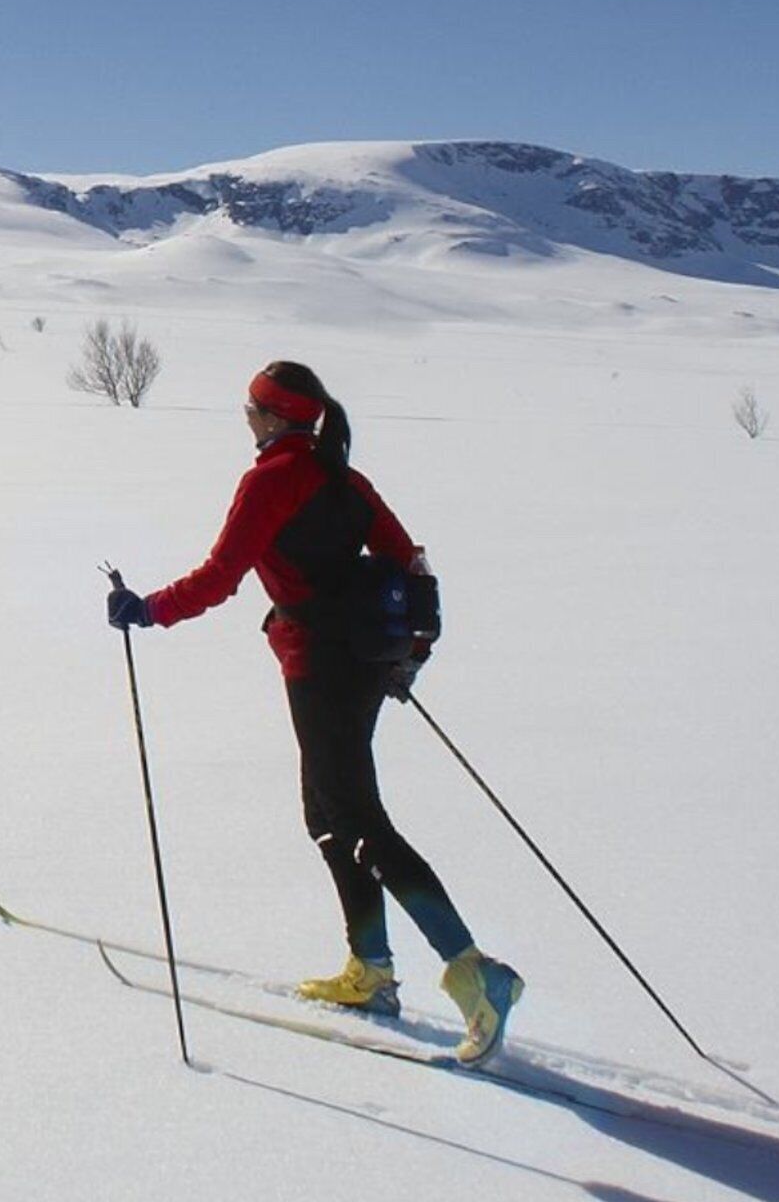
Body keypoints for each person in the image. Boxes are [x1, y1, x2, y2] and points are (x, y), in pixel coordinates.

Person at [105, 359, 523, 1062]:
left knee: (359, 822)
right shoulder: (344, 478)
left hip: (320, 669)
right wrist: (411, 654)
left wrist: (146, 609)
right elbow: (409, 563)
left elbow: (221, 577)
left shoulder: (271, 480)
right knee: (329, 816)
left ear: (272, 417)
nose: (246, 416)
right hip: (362, 665)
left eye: (251, 407)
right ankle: (372, 969)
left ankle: (475, 974)